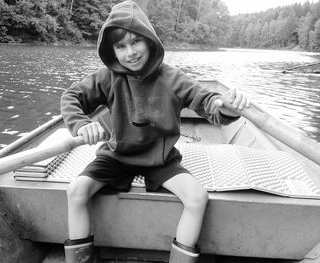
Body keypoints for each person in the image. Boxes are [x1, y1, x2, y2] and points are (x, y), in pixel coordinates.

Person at [61, 1, 250, 262]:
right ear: (112, 50)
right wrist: (82, 124)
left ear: (149, 41)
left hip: (159, 159)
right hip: (117, 156)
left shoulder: (172, 78)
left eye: (136, 42)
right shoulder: (107, 77)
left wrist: (225, 106)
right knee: (76, 190)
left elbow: (208, 103)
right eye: (120, 46)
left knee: (197, 197)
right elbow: (71, 97)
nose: (130, 53)